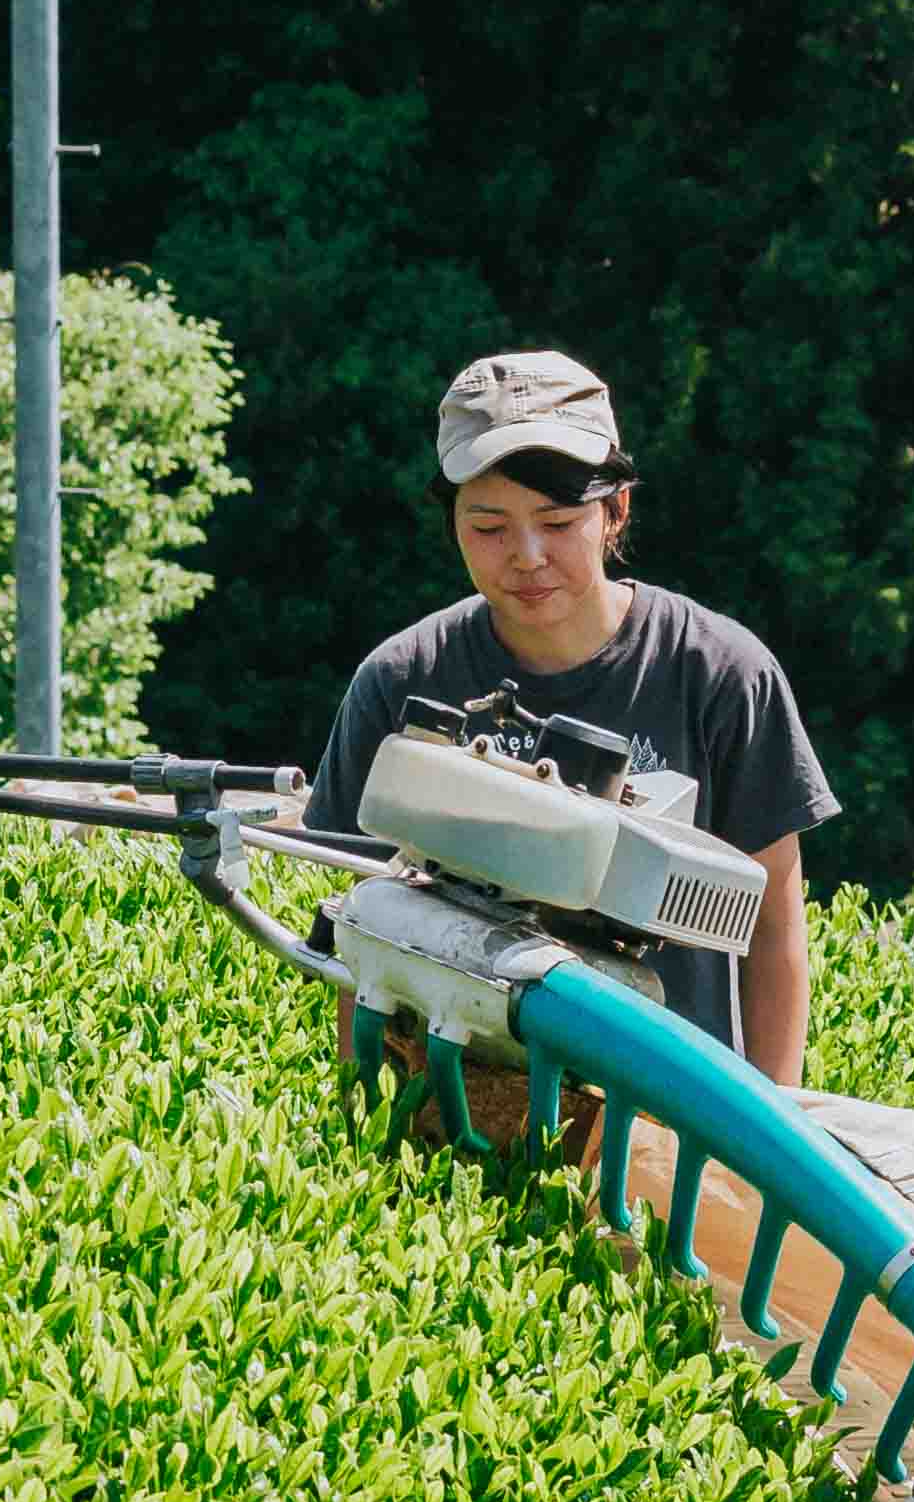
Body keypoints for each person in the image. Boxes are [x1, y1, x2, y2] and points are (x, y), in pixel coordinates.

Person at [305, 350, 838, 1084]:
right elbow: (354, 924)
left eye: (556, 521)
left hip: (665, 1116)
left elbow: (774, 931)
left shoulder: (718, 673)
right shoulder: (400, 679)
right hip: (442, 1109)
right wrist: (362, 1115)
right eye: (488, 526)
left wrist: (772, 1138)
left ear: (614, 511)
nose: (526, 557)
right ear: (451, 520)